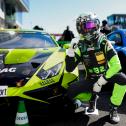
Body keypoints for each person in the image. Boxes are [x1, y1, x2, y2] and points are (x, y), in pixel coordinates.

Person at [65, 12, 126, 123]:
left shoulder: (104, 42)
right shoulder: (80, 45)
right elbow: (69, 68)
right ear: (80, 29)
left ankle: (114, 108)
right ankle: (92, 98)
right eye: (85, 26)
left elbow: (117, 65)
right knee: (71, 90)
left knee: (123, 79)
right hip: (92, 78)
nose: (89, 29)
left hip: (106, 76)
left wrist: (100, 82)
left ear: (97, 25)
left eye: (91, 25)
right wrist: (70, 52)